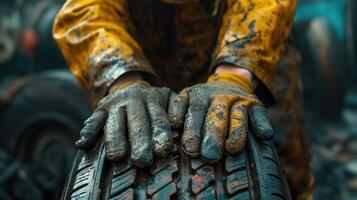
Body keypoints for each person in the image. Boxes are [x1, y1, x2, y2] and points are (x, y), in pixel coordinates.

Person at [53, 0, 312, 199]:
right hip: (147, 59)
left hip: (254, 59)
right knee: (132, 148)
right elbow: (85, 10)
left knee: (277, 159)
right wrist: (122, 79)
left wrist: (235, 76)